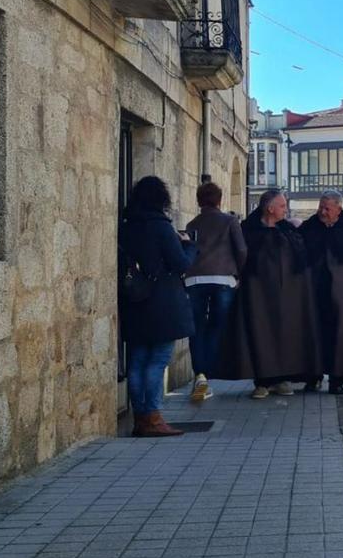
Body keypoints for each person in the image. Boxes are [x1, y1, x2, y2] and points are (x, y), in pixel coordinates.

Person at [216, 189, 324, 398]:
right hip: (257, 294)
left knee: (286, 335)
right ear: (270, 208)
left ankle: (282, 378)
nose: (285, 210)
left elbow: (301, 260)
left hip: (289, 296)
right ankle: (263, 381)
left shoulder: (288, 231)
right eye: (282, 206)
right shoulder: (248, 229)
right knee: (260, 334)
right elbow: (239, 257)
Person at [119, 176, 196, 437]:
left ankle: (140, 417)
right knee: (158, 360)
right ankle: (153, 416)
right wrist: (189, 245)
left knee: (138, 359)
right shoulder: (162, 227)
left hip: (136, 300)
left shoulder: (127, 226)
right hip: (162, 302)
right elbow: (181, 264)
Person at [299, 191, 343, 395]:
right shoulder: (308, 229)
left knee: (341, 335)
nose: (322, 211)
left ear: (338, 208)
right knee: (312, 333)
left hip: (342, 297)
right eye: (321, 207)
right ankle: (312, 376)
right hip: (314, 293)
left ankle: (337, 379)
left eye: (327, 208)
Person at [183, 182, 246, 402]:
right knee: (218, 326)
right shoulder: (230, 221)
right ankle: (208, 373)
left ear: (199, 201)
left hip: (195, 280)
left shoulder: (192, 224)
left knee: (197, 328)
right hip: (223, 279)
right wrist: (240, 275)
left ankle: (200, 374)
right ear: (219, 200)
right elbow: (241, 249)